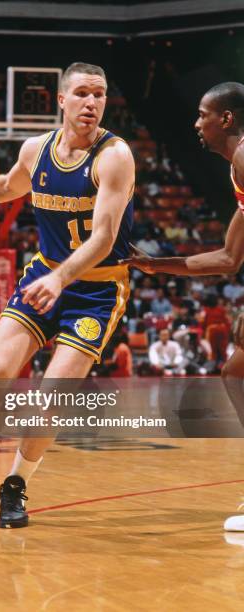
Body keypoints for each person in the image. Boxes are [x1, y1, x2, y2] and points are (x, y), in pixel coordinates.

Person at [0, 62, 135, 528]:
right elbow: (5, 186)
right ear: (61, 100)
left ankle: (15, 485)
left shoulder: (115, 156)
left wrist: (62, 281)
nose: (91, 103)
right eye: (81, 93)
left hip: (96, 291)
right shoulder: (36, 150)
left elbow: (103, 237)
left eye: (99, 94)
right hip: (45, 276)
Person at [121, 81, 244, 531]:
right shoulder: (238, 169)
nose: (196, 123)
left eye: (202, 114)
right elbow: (230, 258)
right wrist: (158, 265)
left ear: (226, 119)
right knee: (236, 371)